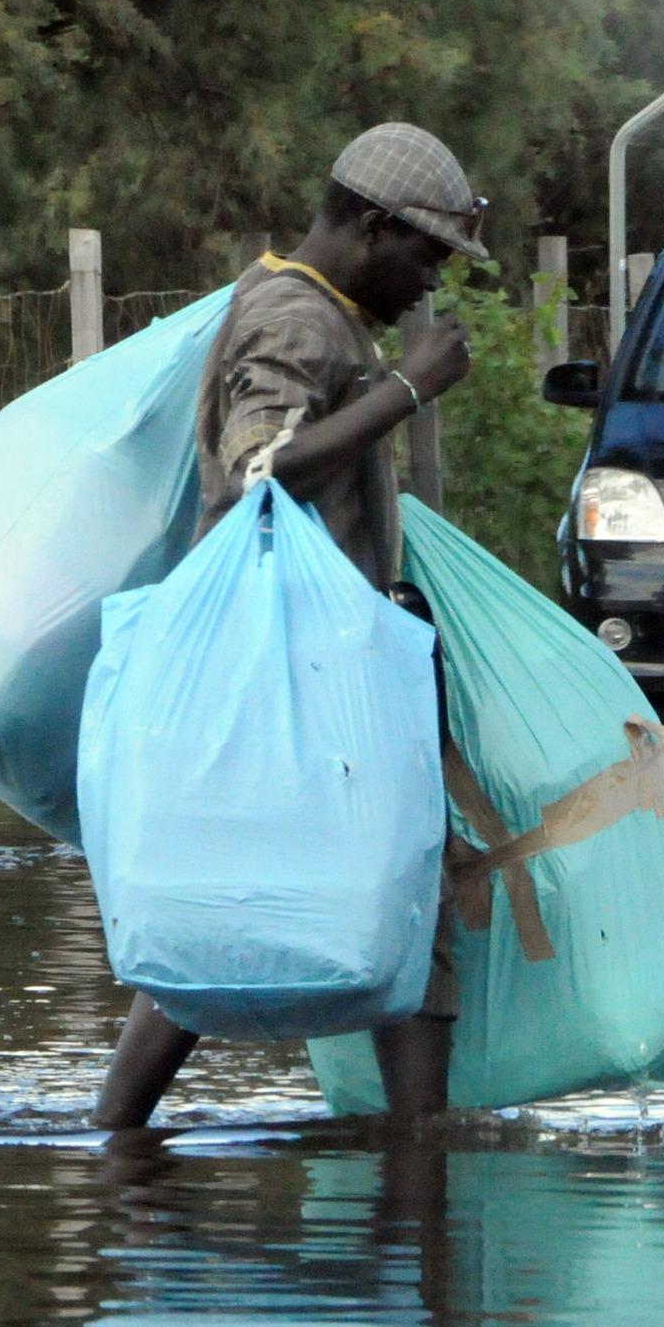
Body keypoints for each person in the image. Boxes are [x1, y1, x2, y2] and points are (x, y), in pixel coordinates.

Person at [94, 122, 488, 1128]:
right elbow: (257, 473)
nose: (431, 283)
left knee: (245, 886)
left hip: (304, 654)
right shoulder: (297, 318)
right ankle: (418, 1155)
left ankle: (117, 1142)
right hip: (295, 662)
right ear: (371, 226)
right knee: (406, 879)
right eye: (427, 255)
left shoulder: (301, 304)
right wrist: (408, 388)